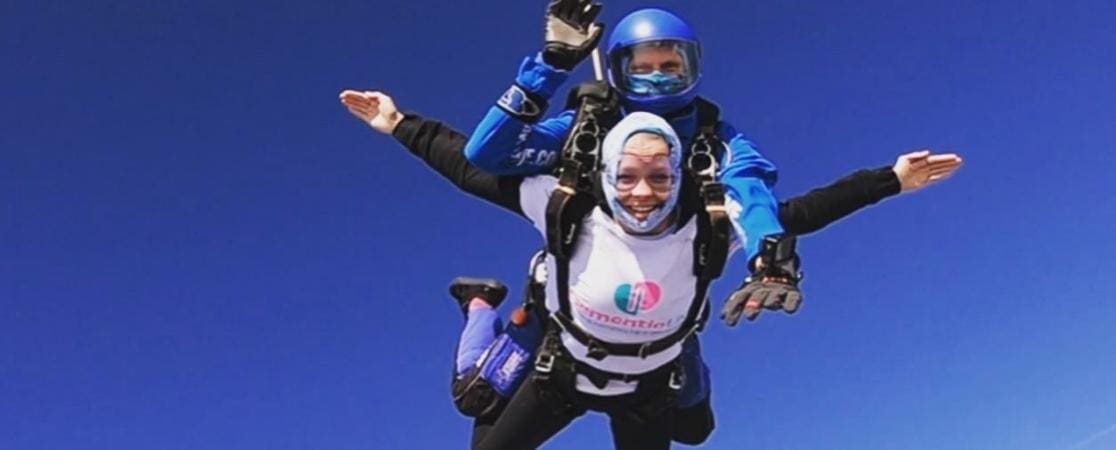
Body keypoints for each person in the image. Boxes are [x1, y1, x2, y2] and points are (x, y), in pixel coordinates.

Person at [339, 89, 962, 448]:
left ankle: (683, 354)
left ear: (679, 178)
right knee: (473, 408)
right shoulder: (565, 207)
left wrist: (889, 181)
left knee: (697, 432)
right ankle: (481, 306)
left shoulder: (709, 220)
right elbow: (469, 169)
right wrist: (398, 123)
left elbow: (799, 212)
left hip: (646, 388)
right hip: (563, 372)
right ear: (606, 175)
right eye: (628, 177)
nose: (643, 192)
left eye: (660, 176)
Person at [465, 2, 790, 283]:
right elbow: (489, 154)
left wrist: (770, 259)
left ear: (692, 68)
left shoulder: (715, 140)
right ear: (618, 73)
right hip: (577, 289)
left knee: (678, 352)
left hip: (666, 305)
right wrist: (549, 69)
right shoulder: (588, 125)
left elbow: (750, 193)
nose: (656, 76)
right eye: (641, 68)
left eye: (670, 67)